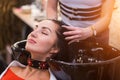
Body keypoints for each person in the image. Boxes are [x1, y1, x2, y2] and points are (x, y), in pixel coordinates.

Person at [0, 19, 67, 80]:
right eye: (35, 29)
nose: (33, 34)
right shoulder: (12, 69)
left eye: (44, 33)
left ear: (54, 48)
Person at [46, 0, 115, 44]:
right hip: (66, 32)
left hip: (96, 32)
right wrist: (52, 27)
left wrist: (90, 31)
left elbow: (106, 17)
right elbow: (51, 7)